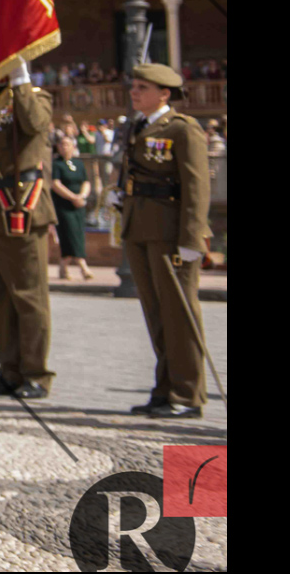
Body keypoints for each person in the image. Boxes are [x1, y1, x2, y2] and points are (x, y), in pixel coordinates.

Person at [114, 63, 212, 417]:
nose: (134, 92)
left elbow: (196, 186)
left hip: (171, 234)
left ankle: (187, 395)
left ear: (164, 93)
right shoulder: (137, 126)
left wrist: (192, 238)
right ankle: (165, 388)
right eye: (134, 86)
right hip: (140, 228)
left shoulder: (182, 128)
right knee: (156, 314)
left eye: (142, 87)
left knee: (179, 314)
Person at [0, 71, 56, 399]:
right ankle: (10, 371)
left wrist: (21, 82)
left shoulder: (34, 98)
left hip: (20, 207)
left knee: (28, 297)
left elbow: (34, 124)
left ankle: (36, 374)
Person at [50, 133, 93, 281]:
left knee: (78, 234)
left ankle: (63, 266)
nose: (64, 147)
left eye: (67, 144)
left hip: (78, 206)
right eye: (61, 144)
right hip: (64, 205)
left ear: (73, 147)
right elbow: (55, 184)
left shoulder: (78, 163)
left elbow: (86, 182)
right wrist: (73, 197)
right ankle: (83, 266)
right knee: (69, 233)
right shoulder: (56, 164)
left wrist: (82, 196)